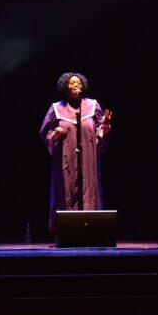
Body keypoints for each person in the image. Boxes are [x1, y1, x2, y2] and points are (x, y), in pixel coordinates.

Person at [39, 72, 112, 231]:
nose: (76, 85)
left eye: (79, 83)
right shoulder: (56, 108)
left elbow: (99, 131)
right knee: (67, 189)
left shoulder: (92, 106)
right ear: (65, 87)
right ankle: (67, 229)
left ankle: (91, 228)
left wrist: (104, 127)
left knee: (88, 189)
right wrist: (55, 134)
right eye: (72, 83)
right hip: (66, 158)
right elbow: (45, 133)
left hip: (87, 158)